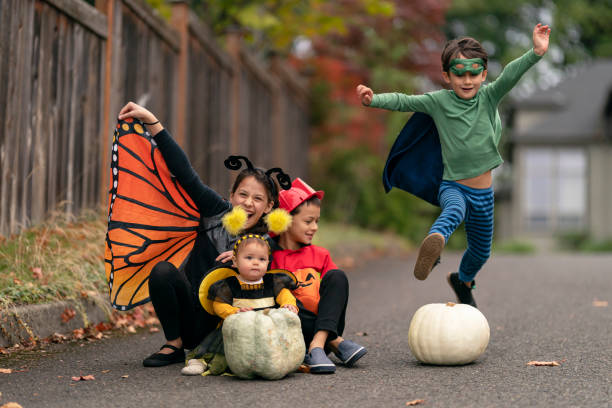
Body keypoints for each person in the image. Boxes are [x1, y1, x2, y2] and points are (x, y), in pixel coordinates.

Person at [357, 24, 551, 307]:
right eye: (460, 74)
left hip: (484, 194)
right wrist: (374, 99)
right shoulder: (439, 102)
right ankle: (435, 242)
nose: (468, 80)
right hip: (453, 186)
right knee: (453, 210)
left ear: (484, 74)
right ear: (447, 76)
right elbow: (404, 100)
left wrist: (535, 52)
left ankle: (463, 280)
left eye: (474, 73)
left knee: (481, 251)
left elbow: (511, 74)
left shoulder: (488, 97)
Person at [116, 102, 291, 367]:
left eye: (258, 199)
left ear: (268, 207)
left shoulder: (269, 242)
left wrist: (246, 266)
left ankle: (213, 352)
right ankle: (173, 345)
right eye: (243, 194)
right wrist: (153, 122)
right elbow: (186, 174)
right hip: (192, 314)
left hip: (232, 327)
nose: (248, 203)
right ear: (232, 195)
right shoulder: (214, 211)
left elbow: (279, 291)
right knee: (162, 271)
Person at [269, 178, 367, 374]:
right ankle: (335, 342)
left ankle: (318, 344)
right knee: (281, 295)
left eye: (317, 221)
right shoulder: (270, 257)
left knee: (337, 276)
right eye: (308, 221)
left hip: (324, 328)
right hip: (290, 332)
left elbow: (335, 295)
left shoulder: (320, 254)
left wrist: (318, 340)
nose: (315, 227)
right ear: (286, 219)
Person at [181, 233, 298, 376]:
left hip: (266, 330)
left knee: (272, 350)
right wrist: (233, 311)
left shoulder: (272, 282)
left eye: (262, 259)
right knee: (221, 349)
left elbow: (285, 295)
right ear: (235, 261)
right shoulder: (230, 284)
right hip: (236, 330)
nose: (256, 262)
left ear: (268, 263)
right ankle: (202, 361)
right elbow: (219, 305)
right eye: (249, 258)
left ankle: (267, 364)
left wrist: (288, 304)